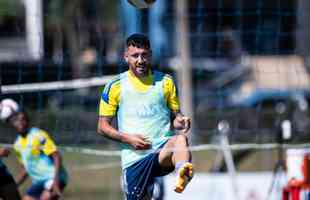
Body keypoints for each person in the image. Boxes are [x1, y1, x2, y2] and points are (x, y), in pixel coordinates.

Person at [97, 33, 194, 200]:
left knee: (180, 140)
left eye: (144, 55)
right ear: (126, 57)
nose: (140, 60)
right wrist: (128, 139)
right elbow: (102, 127)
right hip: (134, 160)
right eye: (135, 55)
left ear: (150, 55)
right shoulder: (115, 86)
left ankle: (182, 172)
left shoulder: (166, 82)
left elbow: (176, 117)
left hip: (161, 150)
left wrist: (180, 121)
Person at [6, 107, 68, 200]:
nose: (20, 123)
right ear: (12, 123)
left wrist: (55, 181)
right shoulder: (17, 144)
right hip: (39, 182)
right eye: (16, 121)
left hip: (52, 178)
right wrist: (10, 188)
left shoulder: (38, 135)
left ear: (27, 121)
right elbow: (25, 170)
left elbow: (56, 156)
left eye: (23, 119)